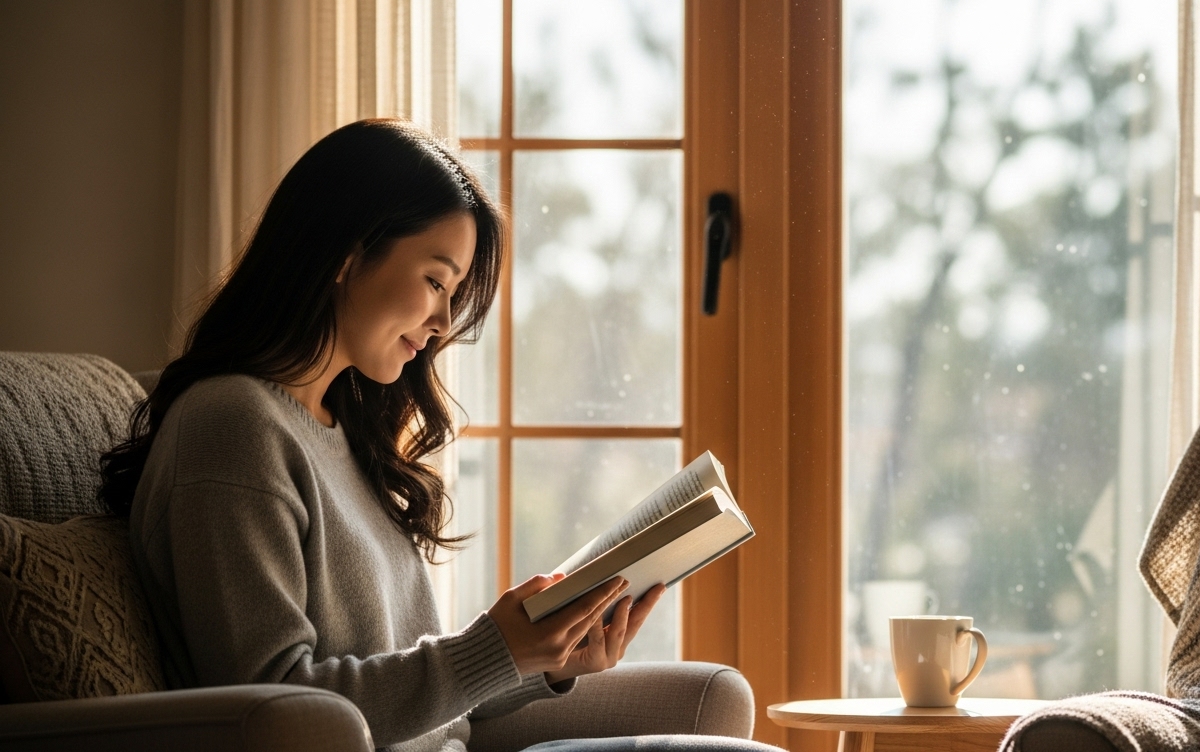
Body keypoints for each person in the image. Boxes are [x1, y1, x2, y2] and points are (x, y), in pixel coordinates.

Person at [99, 120, 768, 752]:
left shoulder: (344, 432)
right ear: (346, 254)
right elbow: (281, 704)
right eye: (435, 281)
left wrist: (546, 658)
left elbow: (415, 692)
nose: (445, 320)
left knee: (719, 701)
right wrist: (493, 649)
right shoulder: (233, 427)